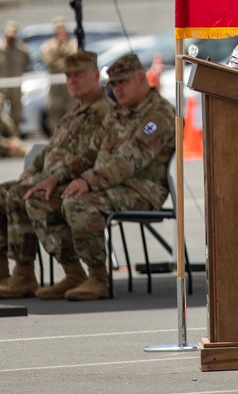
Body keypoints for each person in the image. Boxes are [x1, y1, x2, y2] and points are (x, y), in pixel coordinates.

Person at [24, 54, 176, 301]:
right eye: (114, 84)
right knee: (41, 199)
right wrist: (56, 176)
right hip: (107, 186)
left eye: (123, 82)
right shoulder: (117, 113)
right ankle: (74, 274)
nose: (117, 89)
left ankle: (98, 279)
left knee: (78, 202)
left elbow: (128, 160)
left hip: (141, 190)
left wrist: (87, 181)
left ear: (141, 79)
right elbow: (88, 153)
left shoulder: (158, 114)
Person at [0, 51, 110, 299]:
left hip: (74, 183)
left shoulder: (103, 111)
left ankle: (32, 273)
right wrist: (30, 175)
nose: (72, 81)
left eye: (79, 75)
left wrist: (45, 179)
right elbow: (47, 153)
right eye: (69, 76)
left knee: (23, 196)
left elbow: (89, 156)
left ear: (95, 76)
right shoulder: (74, 113)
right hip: (49, 178)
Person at [0, 19, 31, 134]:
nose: (10, 39)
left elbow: (27, 63)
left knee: (16, 113)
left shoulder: (22, 51)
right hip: (0, 87)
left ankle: (14, 135)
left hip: (15, 87)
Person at [40, 16, 77, 134]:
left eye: (62, 29)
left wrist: (60, 57)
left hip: (70, 89)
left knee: (72, 116)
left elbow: (74, 58)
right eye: (58, 29)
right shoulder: (48, 46)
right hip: (56, 90)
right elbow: (49, 61)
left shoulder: (72, 44)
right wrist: (63, 59)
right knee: (55, 118)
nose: (60, 32)